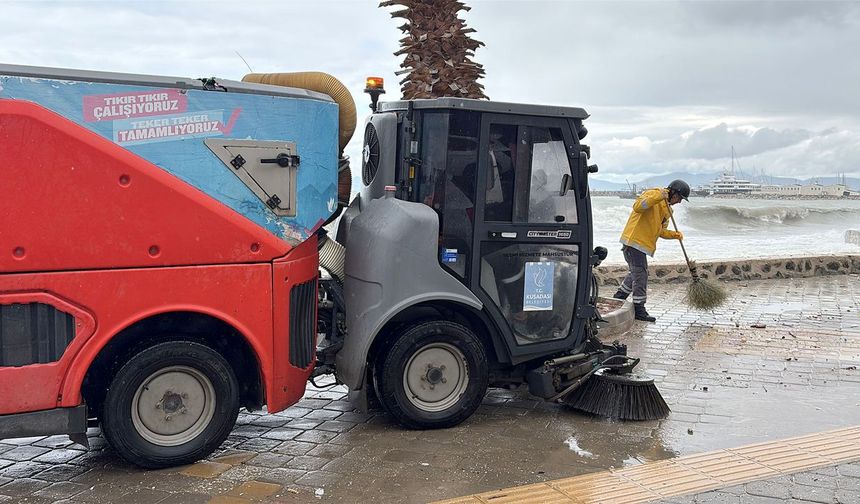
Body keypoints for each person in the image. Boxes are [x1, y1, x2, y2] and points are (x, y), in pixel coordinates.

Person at [614, 179, 690, 322]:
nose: (679, 202)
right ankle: (639, 309)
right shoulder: (653, 194)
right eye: (679, 198)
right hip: (633, 241)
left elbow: (661, 231)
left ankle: (619, 298)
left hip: (642, 245)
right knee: (641, 275)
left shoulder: (668, 210)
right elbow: (638, 206)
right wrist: (658, 197)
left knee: (636, 273)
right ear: (673, 192)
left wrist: (674, 235)